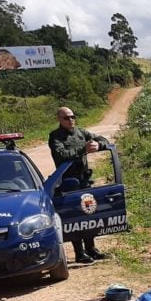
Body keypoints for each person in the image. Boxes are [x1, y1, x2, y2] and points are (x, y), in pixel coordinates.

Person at [48, 106, 109, 263]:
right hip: (69, 182)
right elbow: (62, 154)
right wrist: (83, 148)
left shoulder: (82, 132)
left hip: (84, 180)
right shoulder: (55, 137)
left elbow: (103, 140)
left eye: (72, 116)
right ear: (59, 120)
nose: (71, 120)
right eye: (66, 118)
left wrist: (98, 145)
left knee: (88, 213)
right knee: (74, 217)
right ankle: (79, 252)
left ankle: (91, 248)